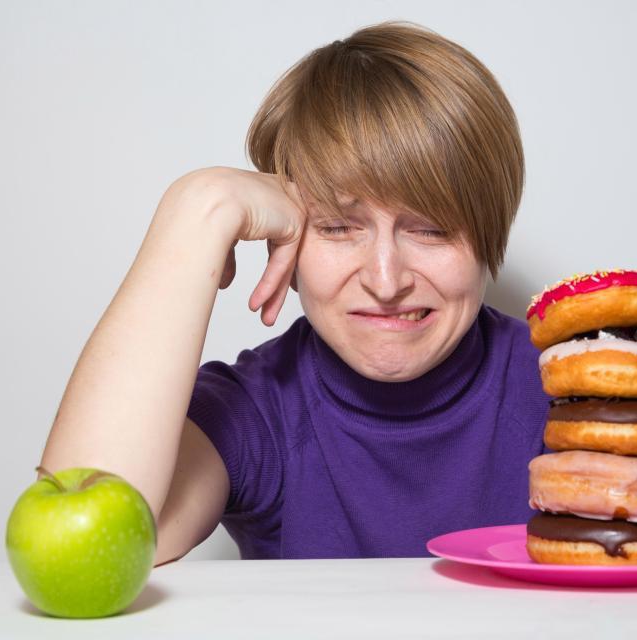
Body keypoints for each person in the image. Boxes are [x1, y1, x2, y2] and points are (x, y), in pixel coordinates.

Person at [38, 21, 551, 565]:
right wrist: (197, 207)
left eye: (431, 229)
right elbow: (77, 553)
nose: (385, 280)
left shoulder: (571, 393)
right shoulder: (258, 409)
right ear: (286, 235)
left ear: (489, 232)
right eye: (335, 227)